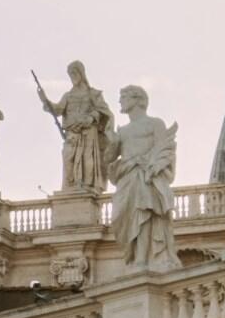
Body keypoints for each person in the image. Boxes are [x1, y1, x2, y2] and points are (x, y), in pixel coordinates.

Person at [107, 85, 178, 270]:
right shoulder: (122, 132)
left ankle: (141, 259)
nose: (120, 101)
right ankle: (134, 256)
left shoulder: (155, 124)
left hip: (146, 177)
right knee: (123, 217)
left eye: (123, 97)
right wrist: (110, 140)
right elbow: (108, 158)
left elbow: (165, 150)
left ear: (137, 99)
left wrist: (153, 166)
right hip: (127, 178)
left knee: (145, 214)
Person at [39, 61, 115, 192]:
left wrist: (91, 117)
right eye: (70, 74)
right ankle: (71, 187)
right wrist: (44, 99)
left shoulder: (93, 94)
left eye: (74, 73)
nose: (72, 76)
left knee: (87, 159)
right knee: (68, 158)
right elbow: (56, 110)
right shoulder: (68, 96)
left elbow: (104, 112)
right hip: (72, 134)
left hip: (88, 131)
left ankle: (87, 186)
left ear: (81, 73)